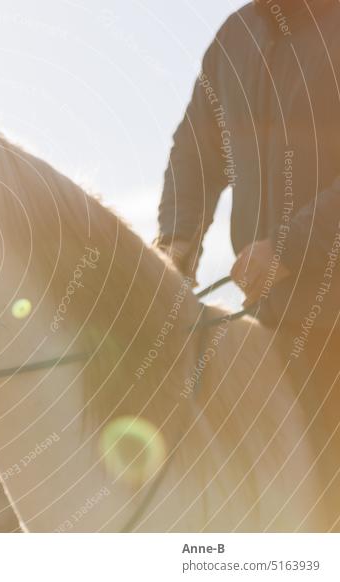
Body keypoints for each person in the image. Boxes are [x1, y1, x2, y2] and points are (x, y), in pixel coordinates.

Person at [155, 0, 340, 529]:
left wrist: (290, 248)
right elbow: (194, 149)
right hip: (272, 331)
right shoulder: (235, 37)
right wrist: (176, 247)